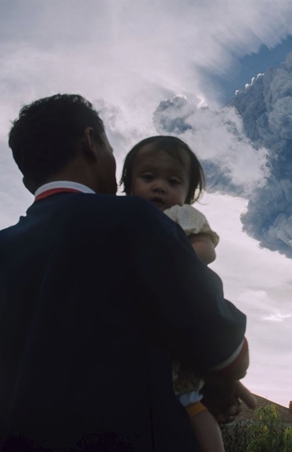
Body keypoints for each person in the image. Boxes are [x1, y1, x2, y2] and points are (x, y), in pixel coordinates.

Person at [0, 94, 252, 451]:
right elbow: (220, 341)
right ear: (91, 143)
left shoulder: (2, 248)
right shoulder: (133, 220)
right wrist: (221, 381)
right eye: (110, 146)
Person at [120, 135, 235, 452]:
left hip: (177, 329)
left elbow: (206, 250)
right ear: (127, 184)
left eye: (173, 181)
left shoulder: (182, 218)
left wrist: (168, 264)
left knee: (192, 403)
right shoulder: (121, 215)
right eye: (148, 177)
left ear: (188, 194)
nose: (159, 186)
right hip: (136, 337)